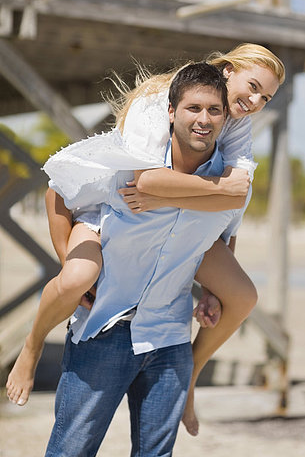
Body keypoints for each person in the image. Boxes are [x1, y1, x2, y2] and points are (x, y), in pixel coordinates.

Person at [7, 43, 285, 436]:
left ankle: (191, 377)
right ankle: (32, 346)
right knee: (76, 278)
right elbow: (146, 180)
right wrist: (168, 189)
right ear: (226, 70)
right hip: (100, 209)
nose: (256, 100)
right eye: (253, 86)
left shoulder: (236, 122)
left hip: (180, 224)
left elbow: (236, 203)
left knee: (242, 297)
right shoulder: (158, 101)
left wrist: (167, 198)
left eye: (266, 96)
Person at [45, 62, 252, 456]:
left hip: (171, 338)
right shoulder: (129, 168)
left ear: (226, 119)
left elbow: (223, 238)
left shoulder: (231, 186)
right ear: (171, 113)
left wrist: (211, 292)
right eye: (193, 109)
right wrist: (67, 260)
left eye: (215, 111)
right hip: (105, 330)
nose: (204, 120)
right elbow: (59, 189)